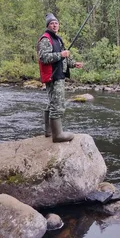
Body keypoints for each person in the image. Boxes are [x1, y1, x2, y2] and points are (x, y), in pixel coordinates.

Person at [37, 13, 84, 143]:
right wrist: (61, 54)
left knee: (51, 102)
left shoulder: (57, 39)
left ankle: (48, 131)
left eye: (56, 23)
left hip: (58, 75)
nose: (54, 25)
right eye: (52, 23)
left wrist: (74, 64)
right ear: (48, 26)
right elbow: (44, 58)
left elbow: (63, 59)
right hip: (53, 76)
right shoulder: (45, 39)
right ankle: (57, 135)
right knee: (57, 105)